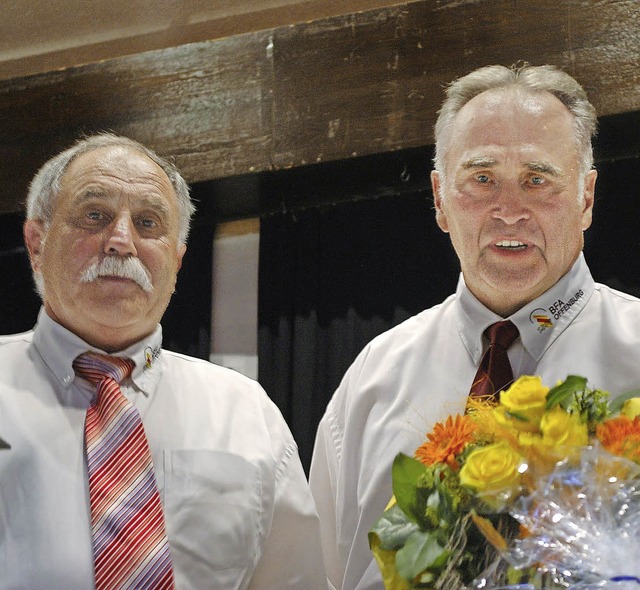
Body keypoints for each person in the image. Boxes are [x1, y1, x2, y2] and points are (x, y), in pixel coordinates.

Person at [309, 63, 640, 590]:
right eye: (482, 179)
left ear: (587, 198)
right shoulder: (374, 378)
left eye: (538, 179)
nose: (510, 211)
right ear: (440, 198)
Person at [0, 133, 328, 589]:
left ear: (176, 259)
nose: (121, 241)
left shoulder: (244, 411)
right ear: (36, 243)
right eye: (94, 216)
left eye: (148, 223)